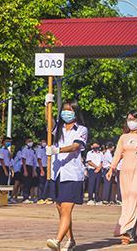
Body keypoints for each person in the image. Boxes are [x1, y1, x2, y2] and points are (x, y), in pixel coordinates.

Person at [105, 110, 137, 245]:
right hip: (125, 172)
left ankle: (124, 230)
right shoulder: (123, 137)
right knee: (129, 201)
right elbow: (117, 154)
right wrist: (112, 168)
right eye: (129, 119)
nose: (131, 122)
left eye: (134, 119)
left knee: (134, 198)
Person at [44, 97, 88, 251]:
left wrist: (58, 150)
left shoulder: (82, 129)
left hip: (72, 174)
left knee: (67, 209)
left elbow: (76, 146)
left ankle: (57, 241)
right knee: (61, 210)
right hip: (58, 173)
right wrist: (47, 105)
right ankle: (71, 240)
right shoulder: (59, 129)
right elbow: (49, 124)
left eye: (70, 110)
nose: (66, 113)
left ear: (75, 112)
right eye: (64, 109)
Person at [21, 138, 37, 203]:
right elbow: (23, 160)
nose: (31, 142)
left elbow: (33, 162)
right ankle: (25, 197)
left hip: (30, 167)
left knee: (29, 183)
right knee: (25, 182)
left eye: (31, 141)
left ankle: (28, 197)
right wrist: (25, 170)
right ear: (26, 142)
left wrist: (33, 171)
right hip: (26, 167)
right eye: (29, 141)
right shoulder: (24, 150)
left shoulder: (32, 151)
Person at [36, 140, 48, 204]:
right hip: (41, 167)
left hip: (46, 167)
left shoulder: (45, 149)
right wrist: (41, 170)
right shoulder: (39, 149)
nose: (44, 143)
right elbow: (39, 159)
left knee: (45, 182)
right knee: (41, 183)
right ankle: (40, 197)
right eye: (43, 142)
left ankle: (44, 197)